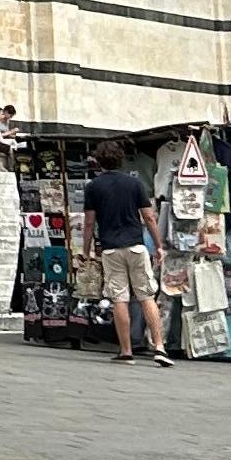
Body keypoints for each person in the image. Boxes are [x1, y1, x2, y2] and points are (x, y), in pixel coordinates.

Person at [83, 135, 167, 368]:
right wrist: (159, 245)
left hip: (110, 249)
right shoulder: (135, 184)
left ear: (99, 161)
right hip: (136, 245)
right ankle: (159, 346)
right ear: (120, 160)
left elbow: (89, 222)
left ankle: (126, 350)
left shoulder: (93, 187)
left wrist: (86, 250)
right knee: (146, 295)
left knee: (119, 298)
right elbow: (149, 217)